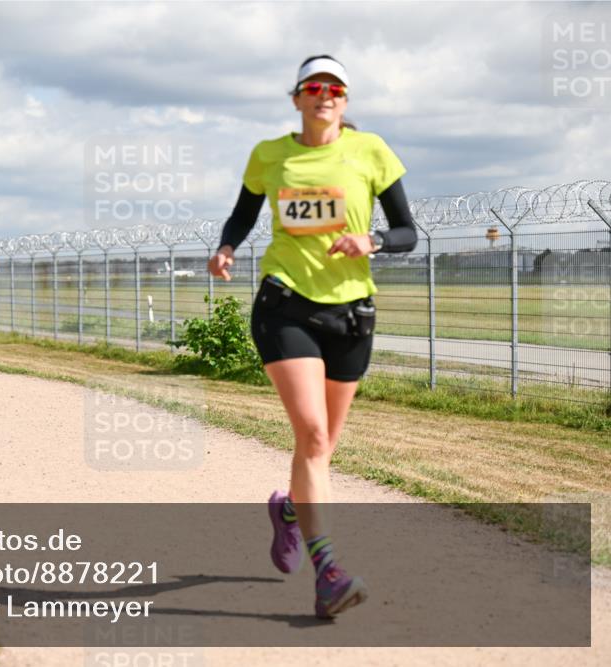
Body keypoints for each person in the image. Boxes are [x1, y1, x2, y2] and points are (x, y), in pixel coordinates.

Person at [207, 55, 417, 619]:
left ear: (345, 101)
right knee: (315, 436)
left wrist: (370, 242)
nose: (325, 94)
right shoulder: (270, 155)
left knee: (320, 447)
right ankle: (328, 571)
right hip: (285, 306)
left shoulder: (370, 151)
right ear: (297, 98)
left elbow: (407, 232)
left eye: (336, 87)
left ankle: (291, 513)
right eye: (314, 86)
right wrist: (226, 249)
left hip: (351, 315)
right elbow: (242, 216)